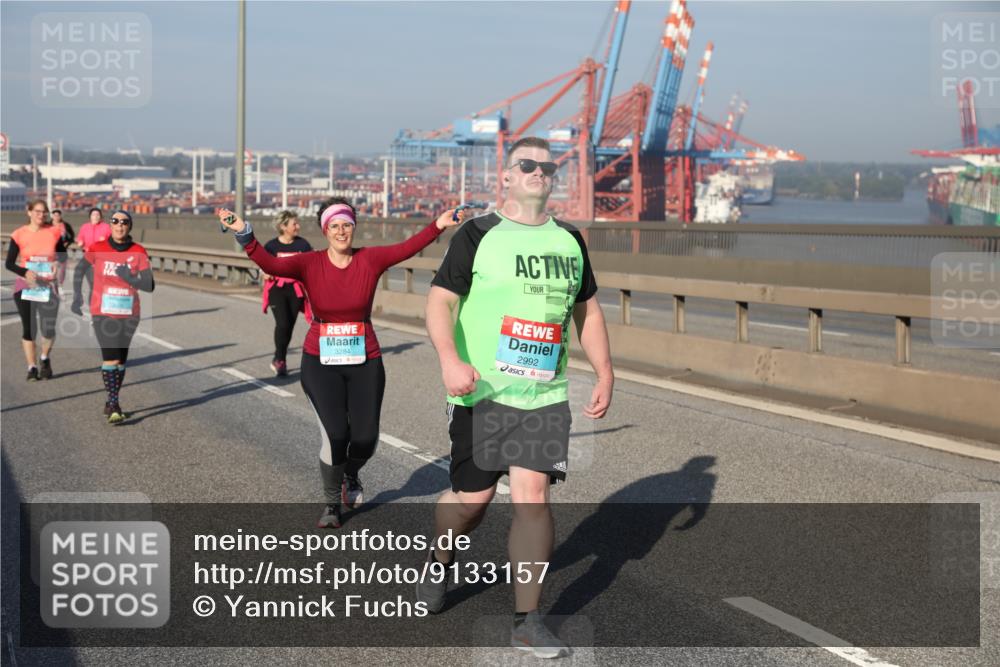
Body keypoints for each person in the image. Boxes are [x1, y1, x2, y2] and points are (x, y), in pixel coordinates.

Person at [418, 137, 614, 658]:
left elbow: (587, 311)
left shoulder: (570, 239)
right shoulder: (477, 234)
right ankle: (439, 559)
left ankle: (527, 621)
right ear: (504, 176)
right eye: (527, 165)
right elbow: (440, 302)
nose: (539, 173)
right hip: (482, 392)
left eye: (549, 167)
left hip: (543, 395)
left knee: (533, 499)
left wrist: (604, 370)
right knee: (471, 505)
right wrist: (448, 359)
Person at [217, 198, 465, 529]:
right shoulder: (309, 262)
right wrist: (244, 233)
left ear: (353, 227)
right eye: (334, 225)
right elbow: (271, 265)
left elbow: (407, 248)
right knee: (335, 433)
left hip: (366, 360)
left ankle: (351, 473)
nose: (341, 231)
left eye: (346, 224)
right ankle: (332, 503)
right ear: (325, 230)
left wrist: (438, 225)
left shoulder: (370, 259)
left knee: (364, 438)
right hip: (320, 360)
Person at [70, 210, 155, 424]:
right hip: (102, 312)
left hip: (129, 314)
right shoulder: (98, 248)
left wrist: (130, 278)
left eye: (124, 222)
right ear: (110, 225)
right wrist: (77, 297)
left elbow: (150, 285)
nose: (120, 226)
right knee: (111, 358)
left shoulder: (138, 251)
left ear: (129, 226)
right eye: (115, 222)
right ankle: (114, 403)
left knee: (121, 362)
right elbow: (80, 270)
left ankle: (111, 401)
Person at [5, 199, 69, 380]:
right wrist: (25, 272)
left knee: (48, 329)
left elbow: (62, 257)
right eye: (38, 211)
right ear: (29, 212)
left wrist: (57, 263)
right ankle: (32, 367)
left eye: (44, 212)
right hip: (26, 286)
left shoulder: (53, 232)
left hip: (48, 286)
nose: (41, 215)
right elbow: (9, 263)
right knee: (29, 329)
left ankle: (45, 357)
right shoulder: (19, 234)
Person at [260, 210, 313, 376]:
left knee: (289, 326)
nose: (298, 226)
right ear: (283, 227)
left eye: (297, 223)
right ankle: (280, 359)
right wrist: (265, 272)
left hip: (296, 290)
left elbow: (310, 265)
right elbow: (262, 265)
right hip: (277, 289)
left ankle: (279, 358)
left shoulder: (303, 245)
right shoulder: (271, 246)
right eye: (294, 224)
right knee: (282, 323)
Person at [75, 207, 111, 303]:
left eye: (97, 215)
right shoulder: (85, 227)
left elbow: (113, 241)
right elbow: (80, 237)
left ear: (101, 217)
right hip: (89, 259)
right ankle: (92, 306)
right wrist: (80, 242)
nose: (95, 216)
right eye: (93, 215)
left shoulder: (106, 227)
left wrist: (106, 241)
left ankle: (100, 305)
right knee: (93, 283)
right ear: (90, 217)